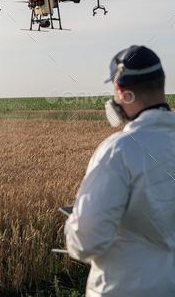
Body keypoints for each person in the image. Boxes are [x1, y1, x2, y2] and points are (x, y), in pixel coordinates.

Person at [64, 45, 175, 297]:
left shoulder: (119, 150)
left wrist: (74, 223)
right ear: (161, 83)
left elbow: (87, 242)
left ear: (121, 92)